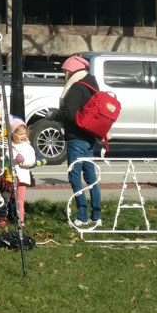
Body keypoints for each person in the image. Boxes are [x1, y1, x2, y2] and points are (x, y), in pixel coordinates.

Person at [56, 54, 102, 228]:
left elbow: (69, 114)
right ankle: (96, 216)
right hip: (90, 137)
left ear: (71, 70)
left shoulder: (76, 87)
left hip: (76, 137)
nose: (64, 75)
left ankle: (82, 217)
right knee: (91, 177)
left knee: (75, 176)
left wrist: (55, 115)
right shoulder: (91, 84)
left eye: (65, 71)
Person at [5, 116, 42, 225]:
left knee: (19, 200)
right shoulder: (9, 146)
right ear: (13, 134)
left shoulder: (27, 147)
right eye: (20, 134)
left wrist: (23, 161)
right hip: (9, 177)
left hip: (21, 177)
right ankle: (5, 217)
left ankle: (20, 219)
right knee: (7, 198)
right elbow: (6, 159)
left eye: (24, 134)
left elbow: (31, 161)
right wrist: (13, 159)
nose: (23, 136)